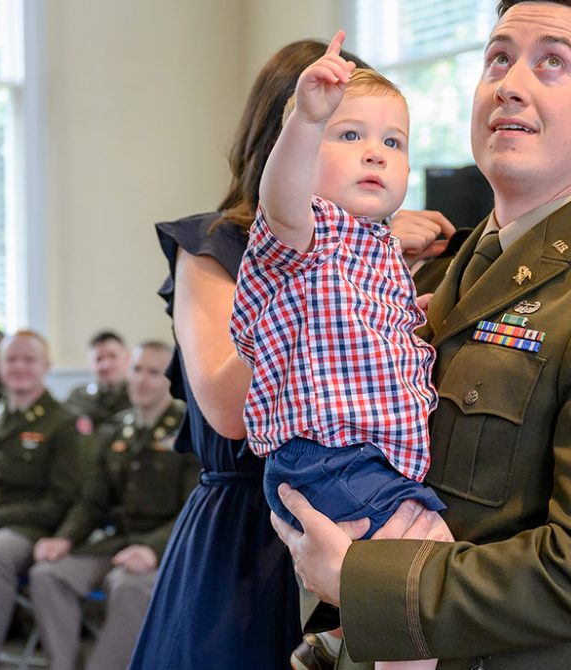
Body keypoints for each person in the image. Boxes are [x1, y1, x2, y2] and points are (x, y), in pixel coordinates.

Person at [271, 2, 571, 669]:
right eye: (498, 59)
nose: (511, 83)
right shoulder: (432, 269)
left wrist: (361, 583)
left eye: (553, 62)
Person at [230, 32, 451, 670]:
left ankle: (339, 639)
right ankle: (352, 642)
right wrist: (306, 119)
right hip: (327, 456)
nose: (375, 153)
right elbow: (280, 196)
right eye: (349, 135)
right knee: (426, 575)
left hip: (365, 458)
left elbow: (383, 333)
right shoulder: (307, 233)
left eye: (394, 142)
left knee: (415, 579)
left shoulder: (379, 250)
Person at [28, 340, 196, 670]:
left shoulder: (189, 432)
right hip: (119, 543)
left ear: (172, 380)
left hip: (167, 549)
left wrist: (151, 549)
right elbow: (92, 500)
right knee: (47, 575)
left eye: (153, 372)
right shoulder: (116, 429)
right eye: (136, 370)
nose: (141, 380)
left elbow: (192, 512)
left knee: (128, 586)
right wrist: (65, 537)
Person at [0, 330, 86, 670]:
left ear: (47, 366)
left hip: (32, 530)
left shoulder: (63, 423)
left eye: (29, 360)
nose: (19, 367)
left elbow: (62, 500)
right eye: (11, 359)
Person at [66, 331, 131, 428]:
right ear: (90, 363)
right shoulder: (79, 398)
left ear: (127, 358)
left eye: (112, 356)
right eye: (98, 359)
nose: (106, 365)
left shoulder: (139, 398)